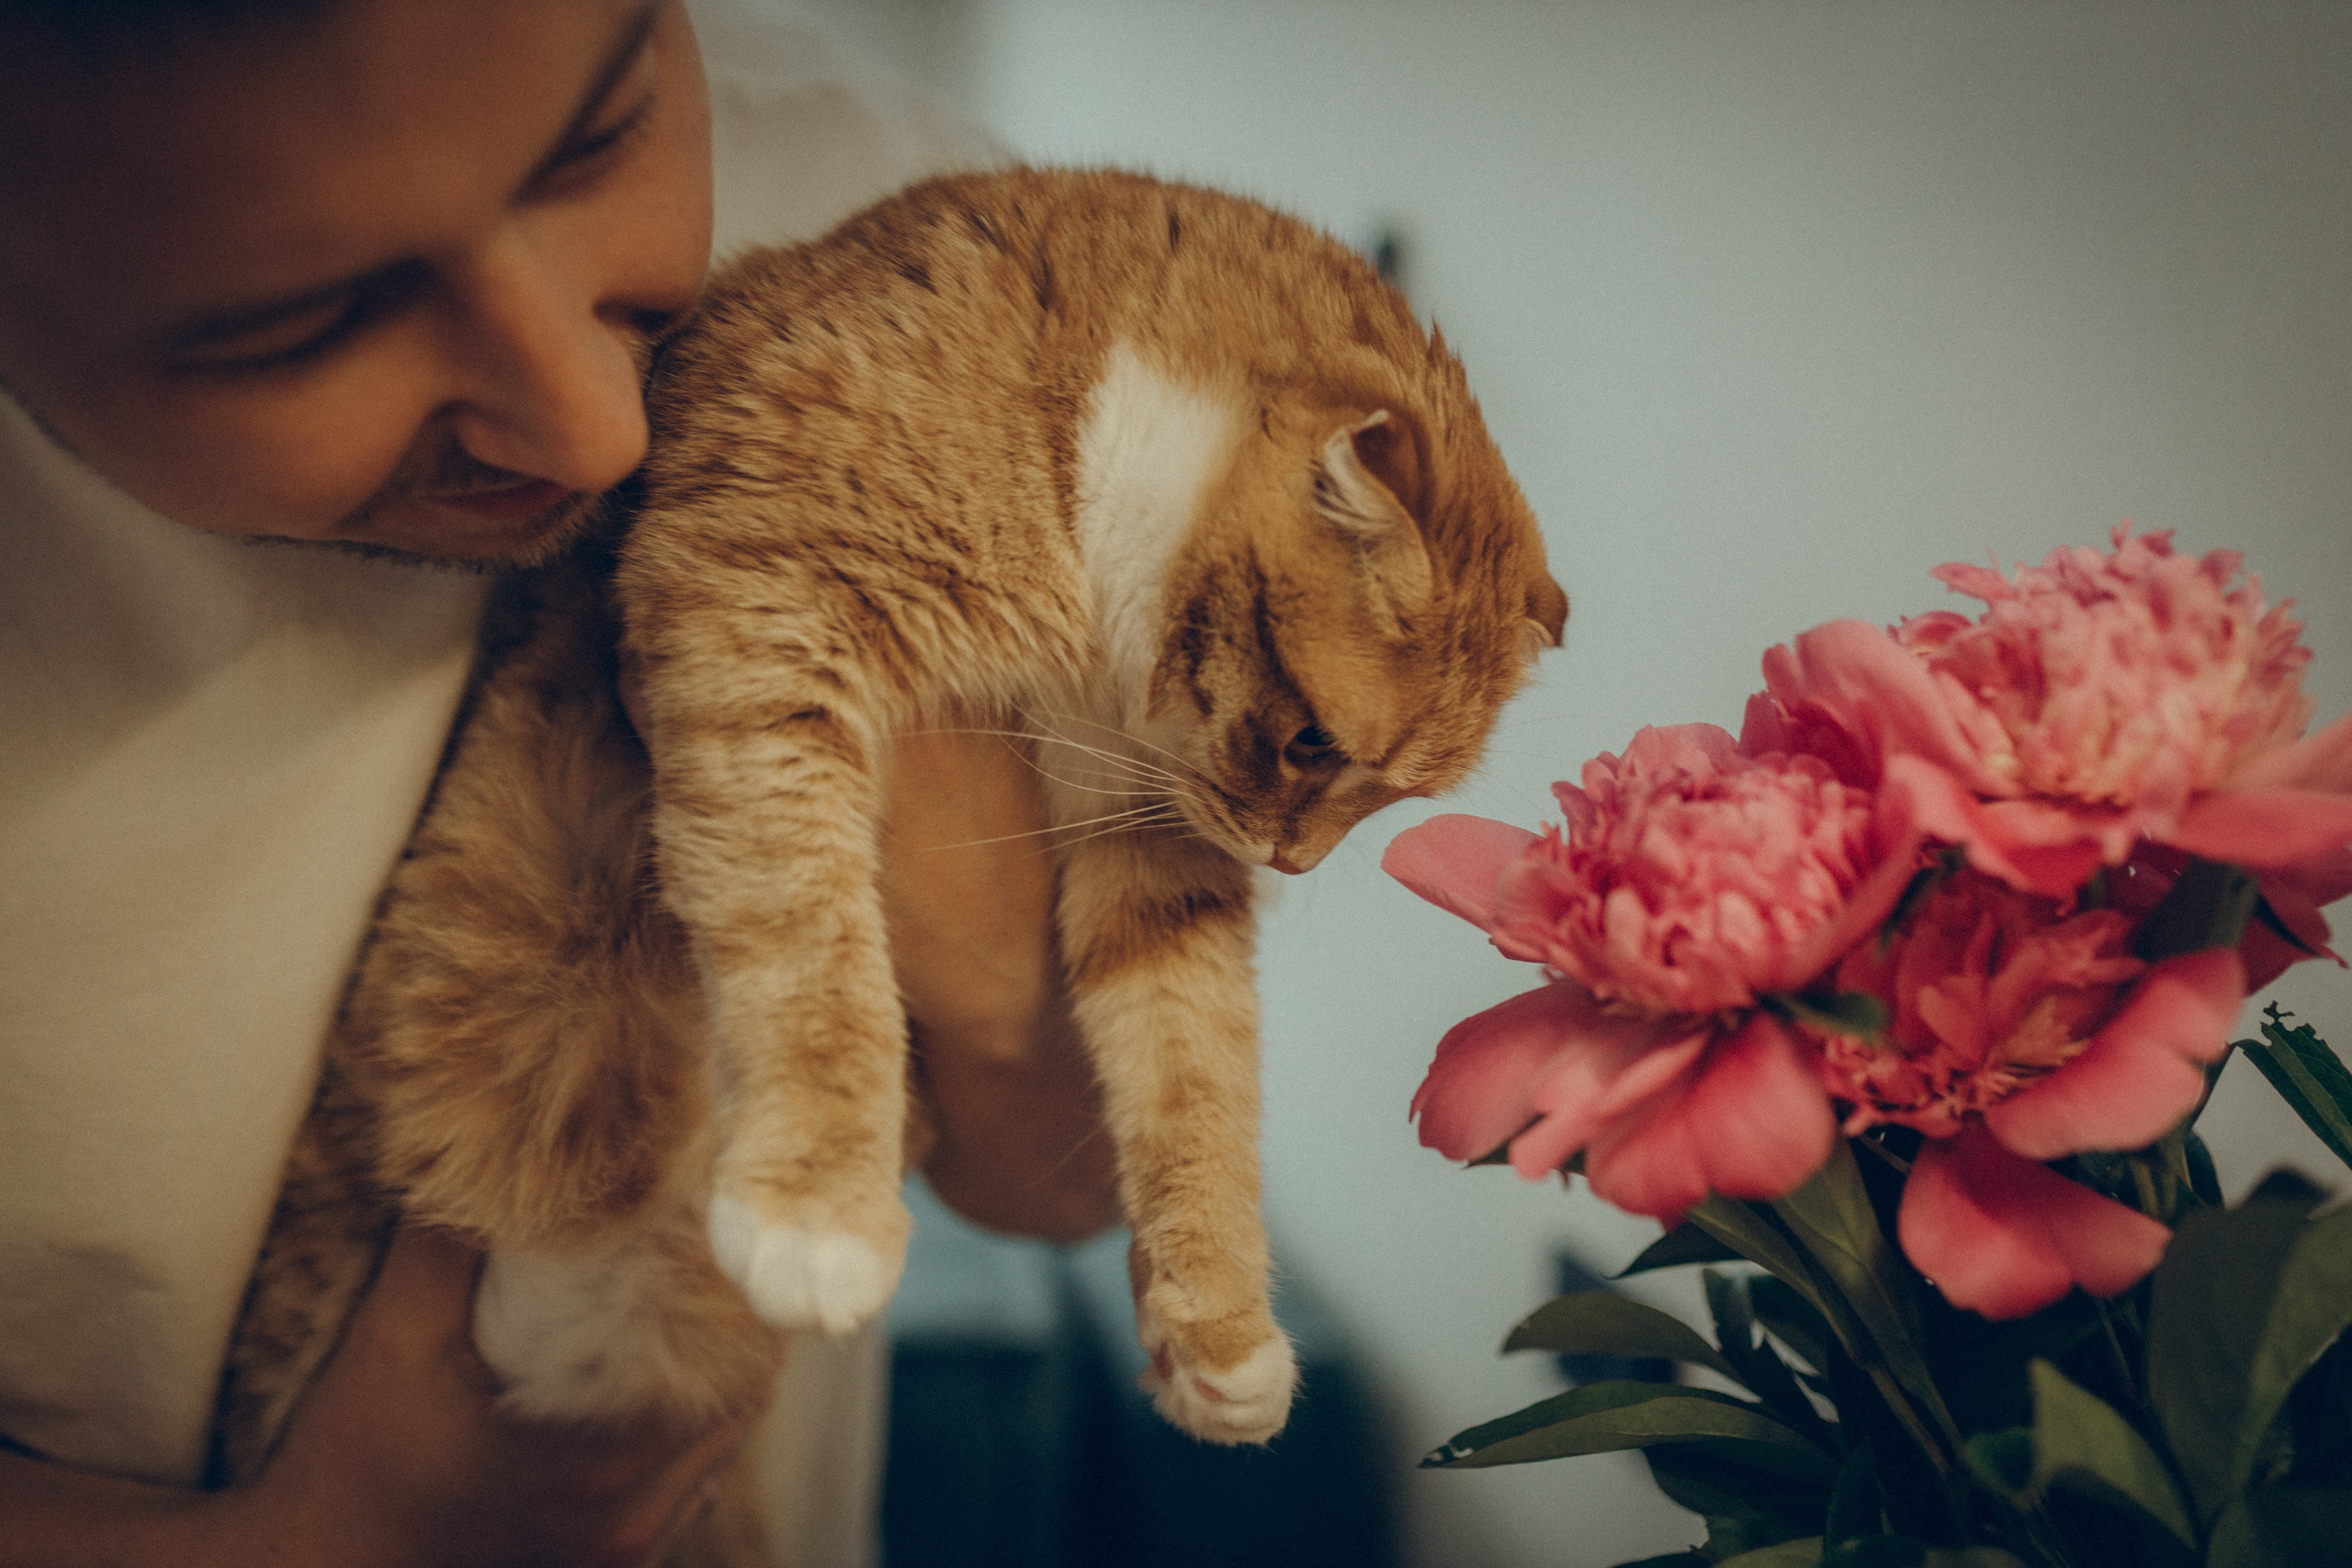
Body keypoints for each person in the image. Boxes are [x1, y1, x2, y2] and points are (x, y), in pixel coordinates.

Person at [0, 1, 1119, 1562]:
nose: (595, 427)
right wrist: (301, 1549)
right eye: (301, 327)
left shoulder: (931, 237)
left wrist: (995, 976)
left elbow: (1066, 1195)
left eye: (600, 137)